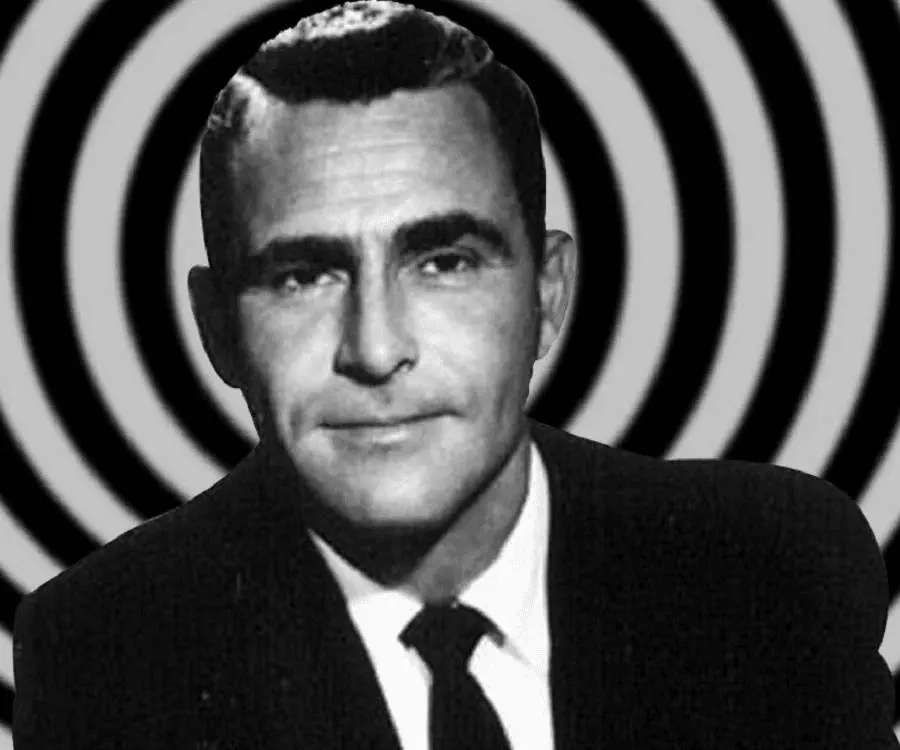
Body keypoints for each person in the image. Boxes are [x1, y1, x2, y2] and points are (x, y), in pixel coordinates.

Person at [12, 2, 897, 748]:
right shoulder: (106, 654)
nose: (375, 348)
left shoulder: (770, 576)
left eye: (444, 262)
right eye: (303, 276)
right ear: (218, 330)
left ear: (547, 295)